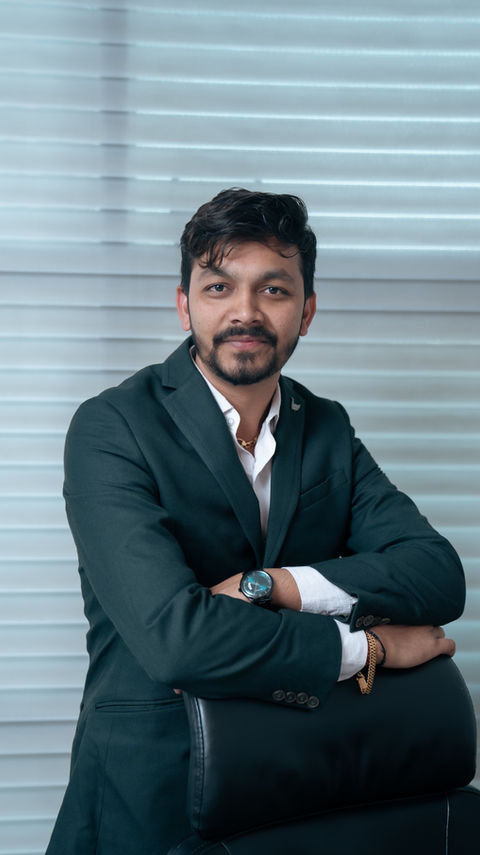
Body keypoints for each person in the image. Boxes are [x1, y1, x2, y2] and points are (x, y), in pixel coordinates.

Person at [45, 188, 464, 855]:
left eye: (274, 289)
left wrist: (270, 586)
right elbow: (175, 642)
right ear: (184, 304)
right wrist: (368, 648)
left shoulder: (326, 427)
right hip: (151, 794)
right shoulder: (113, 427)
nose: (245, 312)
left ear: (308, 311)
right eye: (219, 287)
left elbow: (437, 575)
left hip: (294, 786)